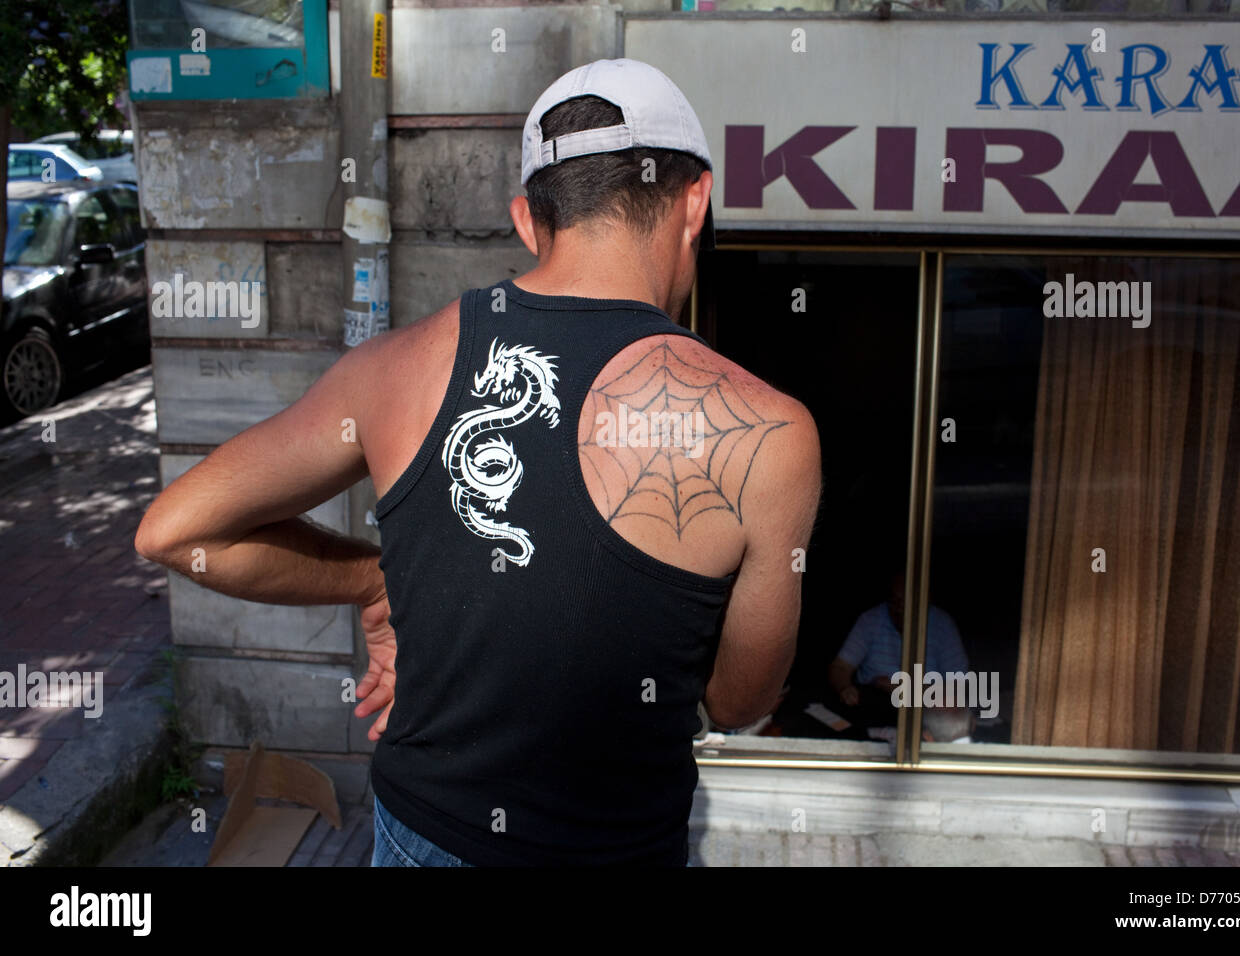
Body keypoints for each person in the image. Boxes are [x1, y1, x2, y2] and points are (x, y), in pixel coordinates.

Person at [134, 59, 822, 866]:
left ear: (528, 220)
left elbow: (173, 531)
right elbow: (739, 703)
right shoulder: (770, 433)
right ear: (695, 202)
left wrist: (369, 578)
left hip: (419, 837)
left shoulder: (394, 371)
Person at [827, 570, 972, 741]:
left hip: (925, 713)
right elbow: (840, 667)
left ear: (926, 601)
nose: (899, 609)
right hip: (874, 708)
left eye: (908, 602)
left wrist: (905, 690)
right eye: (895, 602)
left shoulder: (943, 625)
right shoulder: (871, 620)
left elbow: (958, 687)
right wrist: (845, 687)